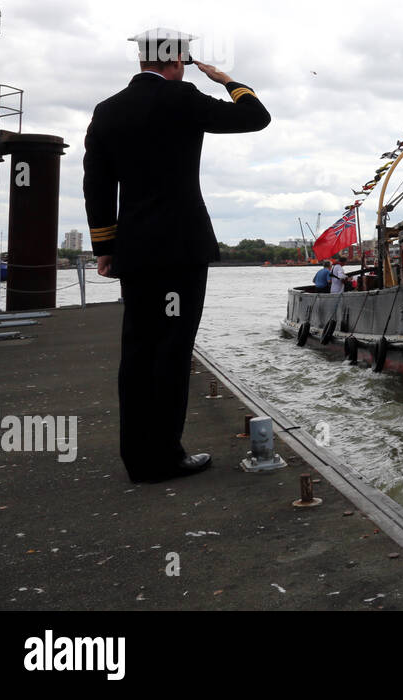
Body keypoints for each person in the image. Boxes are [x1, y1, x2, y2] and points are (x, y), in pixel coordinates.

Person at [84, 28, 270, 483]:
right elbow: (256, 117)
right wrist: (228, 80)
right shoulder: (183, 98)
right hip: (180, 249)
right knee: (172, 349)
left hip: (135, 250)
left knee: (138, 349)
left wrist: (105, 247)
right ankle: (164, 456)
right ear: (177, 63)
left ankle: (137, 458)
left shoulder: (107, 110)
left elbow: (97, 184)